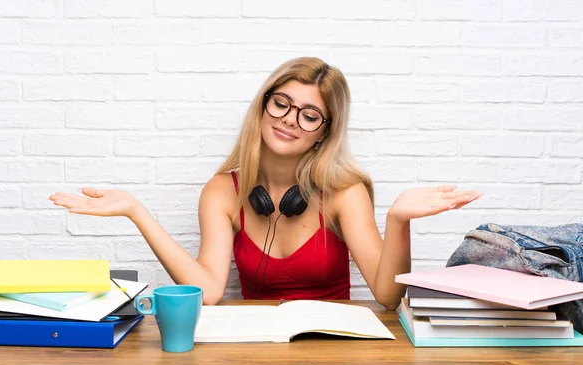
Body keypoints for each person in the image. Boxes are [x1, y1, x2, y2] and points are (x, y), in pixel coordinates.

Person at [49, 57, 480, 309]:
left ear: (324, 131)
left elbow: (387, 297)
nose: (290, 120)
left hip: (334, 349)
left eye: (309, 114)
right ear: (263, 107)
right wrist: (136, 211)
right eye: (282, 104)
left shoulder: (344, 193)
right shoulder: (223, 192)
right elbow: (209, 292)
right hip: (256, 349)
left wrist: (399, 218)